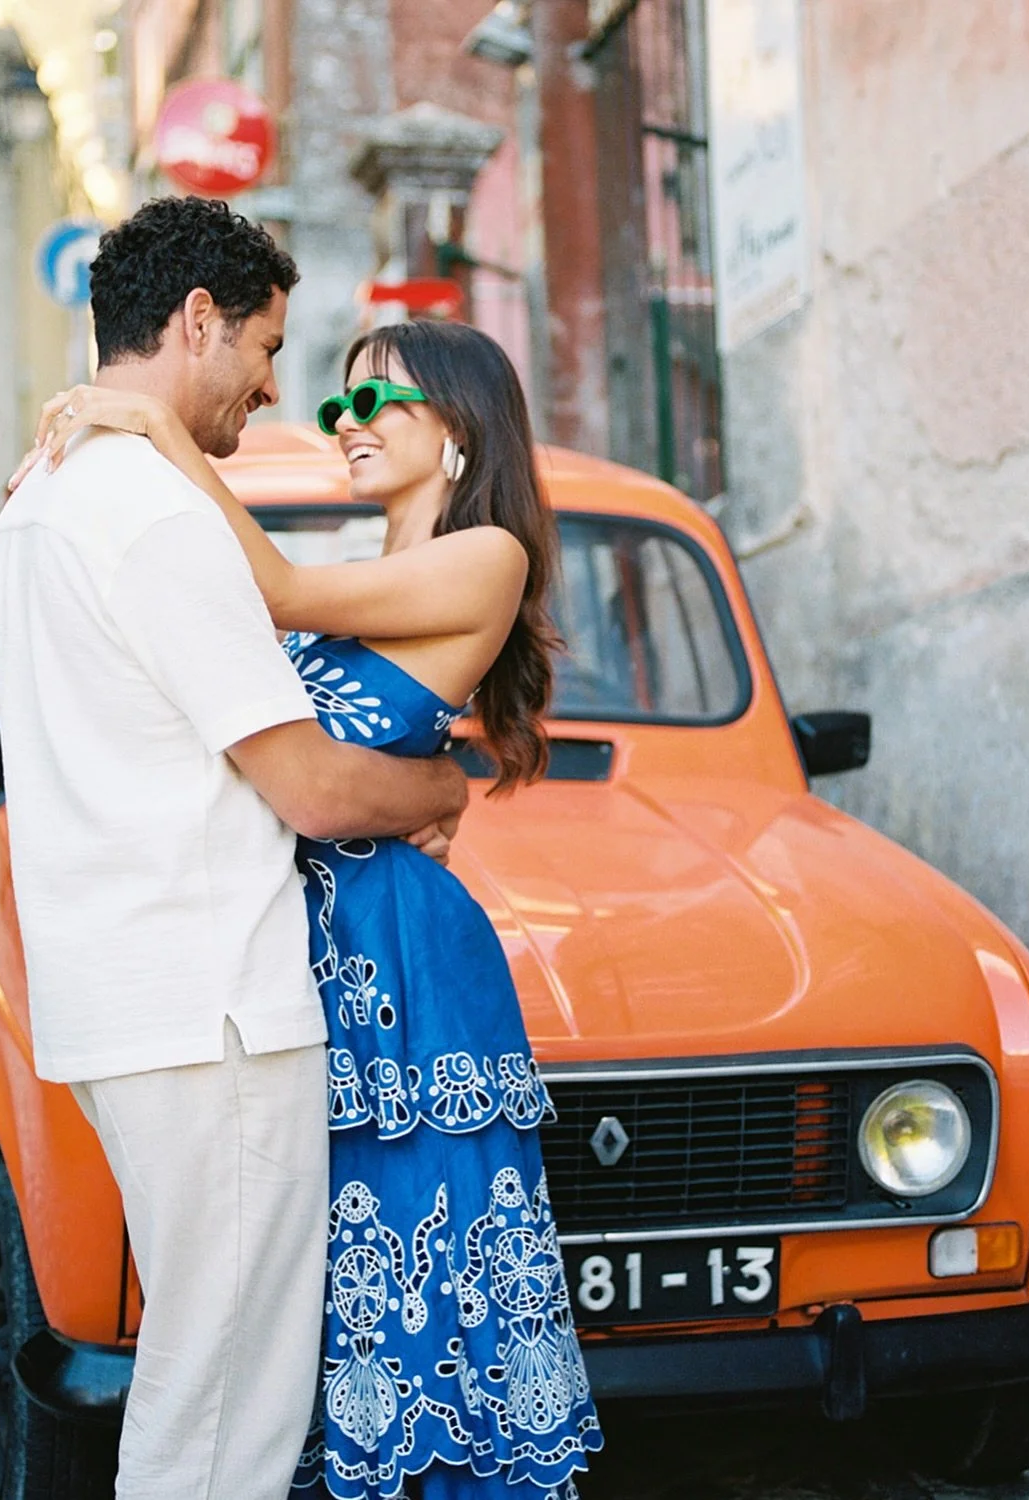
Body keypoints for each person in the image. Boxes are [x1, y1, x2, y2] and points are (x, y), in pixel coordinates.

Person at [31, 318, 604, 1498]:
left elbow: (274, 587)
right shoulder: (362, 564)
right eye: (339, 404)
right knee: (317, 1273)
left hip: (398, 953)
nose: (348, 424)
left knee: (417, 1253)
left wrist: (149, 426)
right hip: (302, 945)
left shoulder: (483, 553)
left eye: (378, 402)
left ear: (460, 428)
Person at [0, 197, 468, 1500]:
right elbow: (307, 784)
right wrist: (437, 786)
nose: (271, 386)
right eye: (261, 347)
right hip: (213, 1015)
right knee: (228, 1416)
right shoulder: (152, 509)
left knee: (192, 1387)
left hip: (124, 1002)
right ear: (195, 321)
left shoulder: (40, 496)